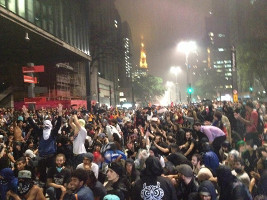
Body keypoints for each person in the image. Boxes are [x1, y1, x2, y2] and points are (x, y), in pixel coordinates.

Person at [22, 104, 63, 183]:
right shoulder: (41, 132)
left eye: (48, 124)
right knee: (42, 175)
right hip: (42, 157)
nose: (46, 126)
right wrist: (26, 114)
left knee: (52, 174)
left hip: (51, 157)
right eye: (45, 124)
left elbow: (58, 125)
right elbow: (33, 124)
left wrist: (60, 113)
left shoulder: (53, 133)